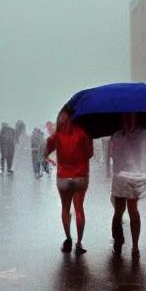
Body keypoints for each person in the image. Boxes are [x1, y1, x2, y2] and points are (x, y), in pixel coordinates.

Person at [46, 108, 93, 254]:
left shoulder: (57, 135)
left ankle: (68, 238)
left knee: (65, 209)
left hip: (63, 177)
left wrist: (52, 158)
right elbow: (89, 153)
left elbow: (47, 151)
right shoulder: (82, 133)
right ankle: (79, 243)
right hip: (80, 176)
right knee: (79, 209)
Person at [110, 113, 146, 258]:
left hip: (120, 178)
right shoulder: (144, 134)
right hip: (136, 178)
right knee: (133, 210)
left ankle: (118, 241)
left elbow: (113, 156)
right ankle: (135, 247)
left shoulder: (117, 136)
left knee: (118, 211)